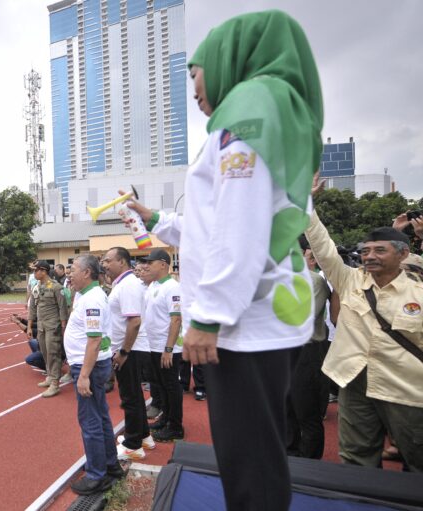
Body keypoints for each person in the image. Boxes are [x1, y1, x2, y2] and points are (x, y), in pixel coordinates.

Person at [125, 11, 323, 510]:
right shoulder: (258, 109)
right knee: (253, 454)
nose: (193, 85)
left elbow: (239, 227)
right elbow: (213, 226)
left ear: (227, 58)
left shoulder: (249, 109)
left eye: (196, 70)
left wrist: (207, 316)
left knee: (250, 462)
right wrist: (157, 219)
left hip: (242, 324)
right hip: (256, 316)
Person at [307, 178, 423, 472]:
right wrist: (305, 203)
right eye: (367, 250)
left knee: (417, 459)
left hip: (406, 388)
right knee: (356, 459)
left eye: (380, 250)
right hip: (354, 380)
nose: (370, 256)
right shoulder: (350, 280)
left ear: (403, 255)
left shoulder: (418, 290)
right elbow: (323, 246)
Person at [64, 254, 122, 496]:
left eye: (73, 269)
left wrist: (84, 375)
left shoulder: (93, 300)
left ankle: (97, 476)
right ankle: (110, 466)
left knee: (90, 422)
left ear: (87, 272)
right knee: (100, 417)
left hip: (89, 366)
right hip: (92, 364)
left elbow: (95, 339)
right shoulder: (86, 295)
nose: (69, 273)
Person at [101, 247, 154, 460]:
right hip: (131, 348)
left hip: (130, 350)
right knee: (134, 395)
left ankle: (133, 446)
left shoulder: (129, 285)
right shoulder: (124, 284)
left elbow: (134, 321)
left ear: (122, 262)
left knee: (130, 397)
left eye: (108, 260)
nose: (104, 264)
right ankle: (143, 436)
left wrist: (123, 351)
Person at [285, 241, 333, 459]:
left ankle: (311, 462)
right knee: (286, 407)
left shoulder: (315, 282)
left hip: (308, 351)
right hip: (284, 351)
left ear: (312, 258)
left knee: (307, 411)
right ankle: (290, 452)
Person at [140, 249, 185, 442]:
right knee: (161, 385)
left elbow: (176, 320)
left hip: (167, 348)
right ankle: (165, 418)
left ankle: (175, 426)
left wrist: (168, 349)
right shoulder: (153, 286)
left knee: (171, 386)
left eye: (151, 262)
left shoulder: (173, 287)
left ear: (163, 264)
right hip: (153, 345)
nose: (147, 265)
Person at [27, 260, 69, 398]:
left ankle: (55, 384)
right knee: (45, 352)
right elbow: (32, 308)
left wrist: (63, 327)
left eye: (36, 270)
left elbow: (63, 308)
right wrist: (29, 326)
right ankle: (50, 376)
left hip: (53, 326)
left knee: (53, 353)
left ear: (43, 271)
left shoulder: (56, 287)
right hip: (41, 326)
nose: (34, 273)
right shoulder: (36, 286)